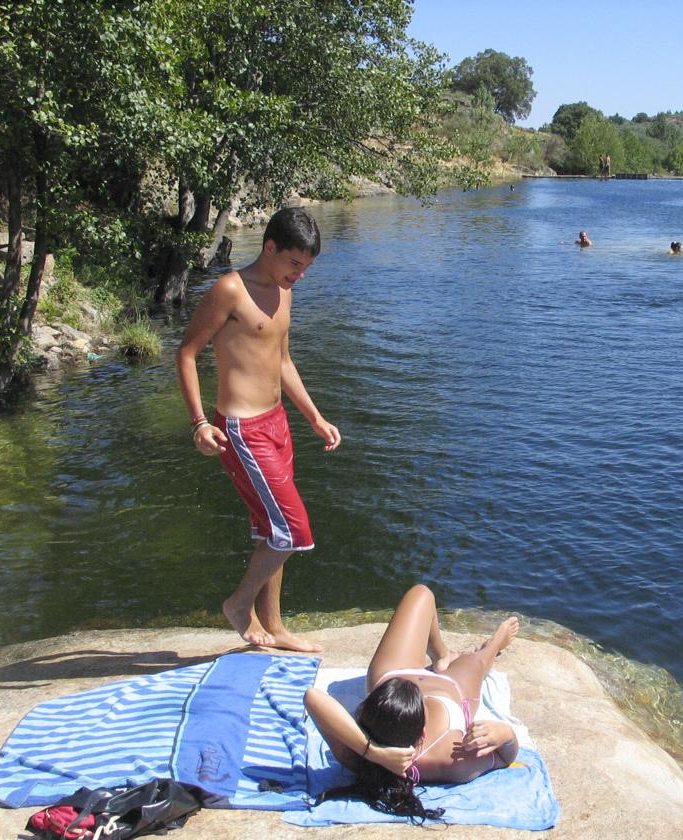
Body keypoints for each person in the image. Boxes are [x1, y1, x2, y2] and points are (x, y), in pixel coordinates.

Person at [176, 207, 340, 652]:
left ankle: (274, 626)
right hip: (242, 429)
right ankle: (238, 603)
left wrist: (314, 417)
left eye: (306, 267)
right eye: (294, 264)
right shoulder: (231, 289)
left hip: (277, 423)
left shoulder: (285, 292)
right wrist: (198, 424)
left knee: (273, 532)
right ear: (269, 247)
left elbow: (282, 361)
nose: (300, 275)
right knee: (294, 529)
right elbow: (187, 353)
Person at [304, 584, 521, 820]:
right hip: (450, 691)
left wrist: (373, 751)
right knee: (479, 659)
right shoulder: (450, 759)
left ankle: (441, 655)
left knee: (422, 593)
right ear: (423, 734)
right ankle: (494, 644)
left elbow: (312, 697)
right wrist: (506, 734)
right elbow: (504, 757)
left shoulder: (357, 757)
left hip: (393, 678)